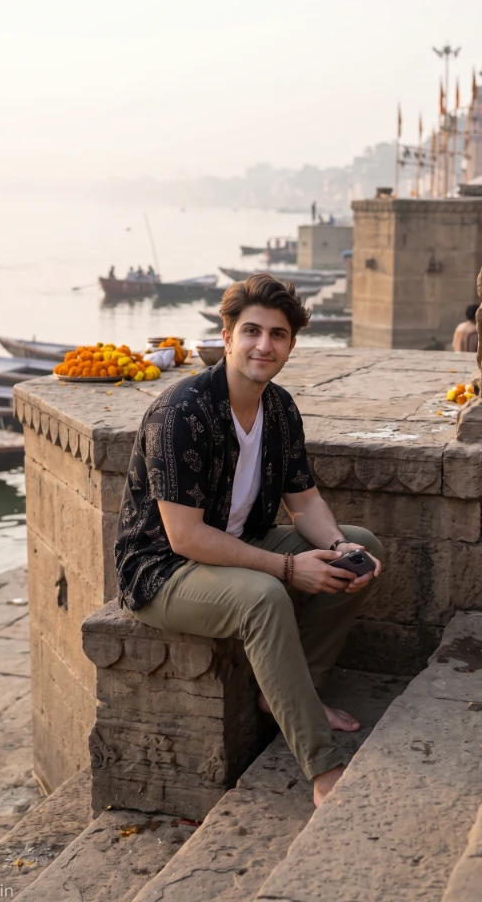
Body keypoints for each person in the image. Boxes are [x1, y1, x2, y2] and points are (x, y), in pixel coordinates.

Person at [115, 274, 383, 808]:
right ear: (229, 334)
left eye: (278, 335)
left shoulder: (278, 408)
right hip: (164, 570)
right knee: (264, 599)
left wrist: (336, 547)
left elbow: (303, 502)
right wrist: (286, 570)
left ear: (290, 345)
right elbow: (185, 536)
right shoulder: (183, 413)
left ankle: (292, 691)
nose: (265, 345)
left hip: (239, 542)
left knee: (359, 542)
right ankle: (322, 765)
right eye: (253, 331)